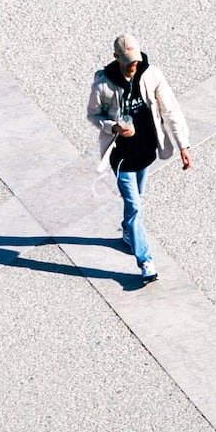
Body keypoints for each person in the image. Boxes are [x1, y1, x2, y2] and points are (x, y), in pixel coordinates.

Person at [86, 34, 187, 283]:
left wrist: (183, 145)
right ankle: (145, 261)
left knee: (137, 202)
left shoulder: (151, 75)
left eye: (136, 60)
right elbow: (93, 114)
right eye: (128, 60)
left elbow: (171, 109)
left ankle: (128, 232)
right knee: (134, 207)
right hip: (121, 156)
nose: (133, 65)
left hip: (146, 151)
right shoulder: (103, 84)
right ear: (116, 57)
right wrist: (113, 127)